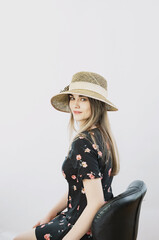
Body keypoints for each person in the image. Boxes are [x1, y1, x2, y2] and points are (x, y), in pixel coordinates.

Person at [14, 71, 120, 240]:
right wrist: (50, 214)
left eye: (83, 99)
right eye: (72, 97)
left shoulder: (83, 142)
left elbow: (95, 202)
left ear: (97, 104)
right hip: (93, 223)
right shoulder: (102, 136)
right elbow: (80, 187)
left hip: (81, 224)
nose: (75, 105)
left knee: (18, 239)